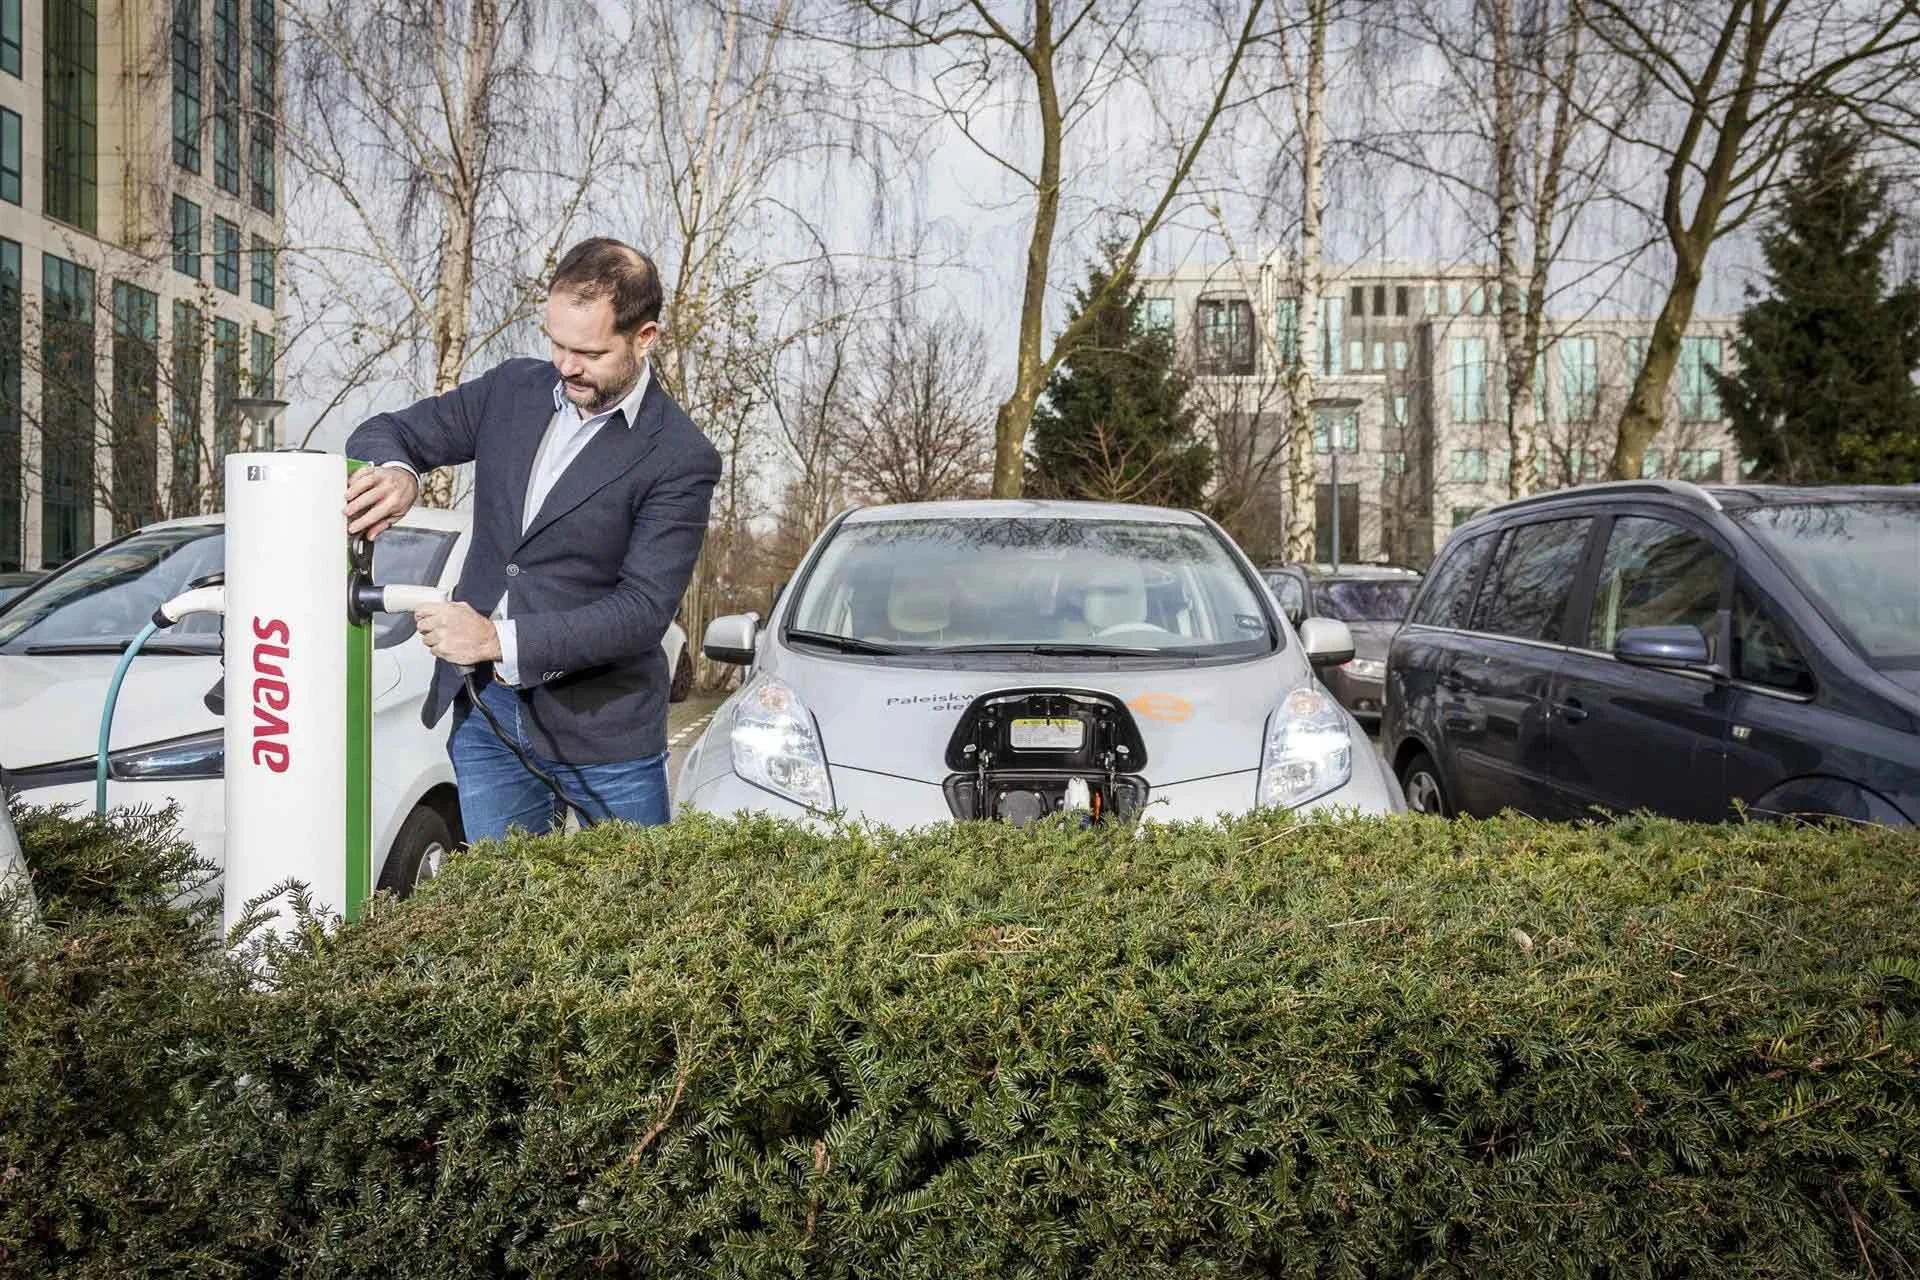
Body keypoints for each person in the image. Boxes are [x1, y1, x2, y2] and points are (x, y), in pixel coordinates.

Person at [344, 237, 720, 841]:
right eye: (556, 343)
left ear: (644, 337)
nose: (567, 365)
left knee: (633, 924)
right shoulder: (511, 391)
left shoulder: (680, 456)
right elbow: (386, 431)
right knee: (498, 919)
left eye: (589, 352)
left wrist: (495, 638)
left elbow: (643, 612)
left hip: (607, 736)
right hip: (489, 721)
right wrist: (399, 472)